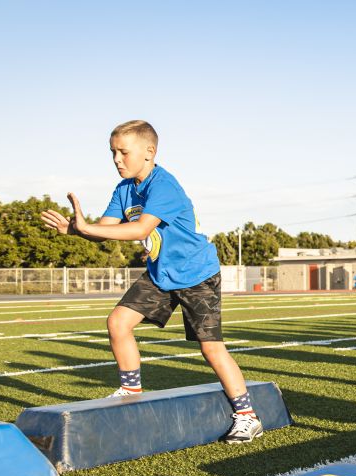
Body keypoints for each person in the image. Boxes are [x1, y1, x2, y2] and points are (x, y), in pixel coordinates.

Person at [39, 119, 263, 442]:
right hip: (162, 274)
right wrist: (74, 229)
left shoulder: (163, 186)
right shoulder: (124, 189)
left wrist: (86, 228)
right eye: (112, 152)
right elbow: (105, 228)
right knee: (118, 323)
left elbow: (139, 230)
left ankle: (246, 415)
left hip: (196, 273)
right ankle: (131, 391)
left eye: (123, 152)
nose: (116, 159)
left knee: (211, 348)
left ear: (149, 152)